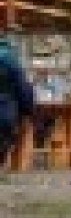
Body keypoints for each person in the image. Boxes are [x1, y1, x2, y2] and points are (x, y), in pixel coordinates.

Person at [0, 35, 35, 169]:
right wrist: (28, 111)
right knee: (4, 139)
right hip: (4, 111)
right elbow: (23, 88)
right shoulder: (11, 60)